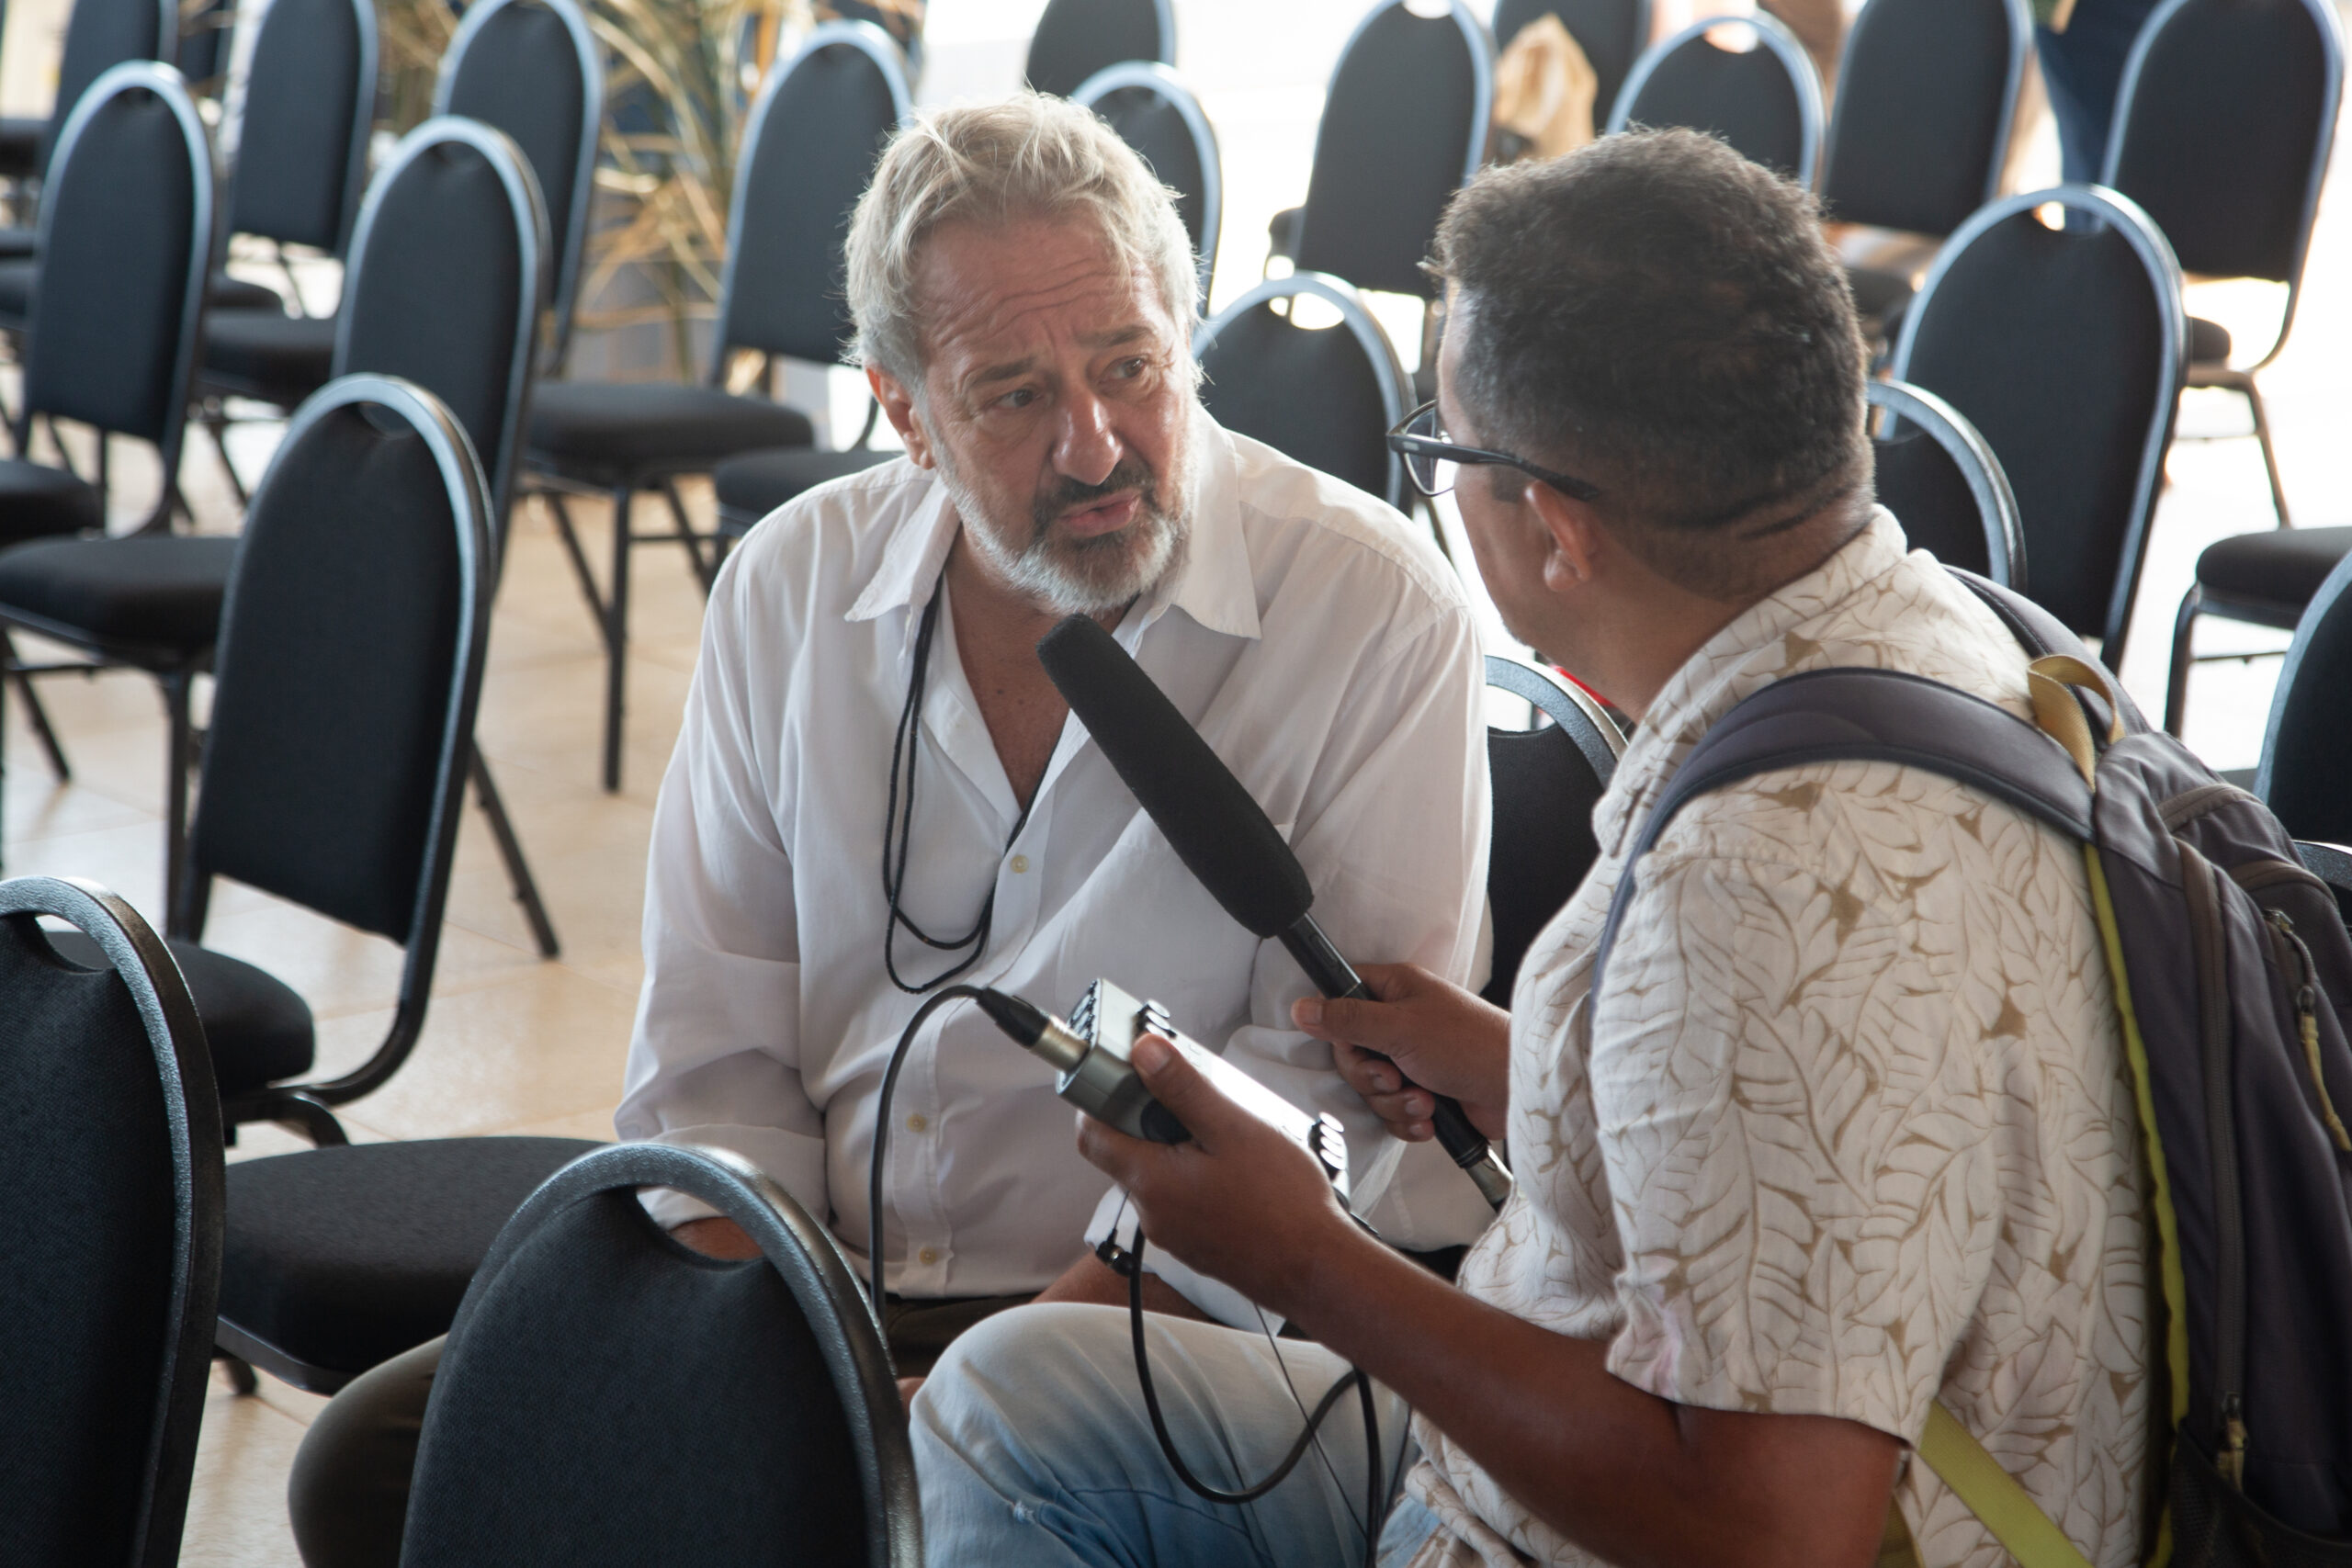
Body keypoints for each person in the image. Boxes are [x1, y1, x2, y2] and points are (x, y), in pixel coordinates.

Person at [914, 129, 2150, 1568]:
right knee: (1015, 1397)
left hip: (1576, 1526)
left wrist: (1307, 1258)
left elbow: (1768, 1534)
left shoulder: (1753, 876)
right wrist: (1542, 1075)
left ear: (1556, 531)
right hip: (1629, 1426)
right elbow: (1824, 1120)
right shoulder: (1948, 638)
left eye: (1440, 455)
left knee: (991, 1428)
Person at [287, 94, 1494, 1565]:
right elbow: (716, 1065)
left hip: (1167, 1330)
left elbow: (1316, 1126)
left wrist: (963, 1417)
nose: (1094, 446)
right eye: (1014, 396)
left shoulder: (1371, 610)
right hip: (816, 1288)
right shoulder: (791, 584)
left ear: (1189, 340)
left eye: (1131, 367)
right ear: (905, 412)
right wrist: (776, 1376)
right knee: (383, 1472)